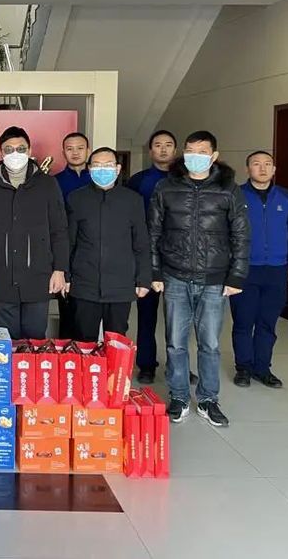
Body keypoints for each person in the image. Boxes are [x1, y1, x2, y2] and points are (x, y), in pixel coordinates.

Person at [149, 130, 250, 428]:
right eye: (190, 151)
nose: (195, 156)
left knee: (210, 343)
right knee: (175, 343)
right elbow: (153, 232)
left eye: (202, 152)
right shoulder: (166, 187)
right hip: (175, 275)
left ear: (214, 156)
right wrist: (155, 272)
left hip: (214, 278)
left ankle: (208, 399)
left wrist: (237, 275)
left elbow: (241, 235)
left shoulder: (228, 189)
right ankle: (179, 397)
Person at [0, 126, 69, 340]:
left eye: (20, 148)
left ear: (30, 150)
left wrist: (60, 270)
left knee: (34, 340)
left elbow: (59, 230)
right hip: (0, 278)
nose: (15, 154)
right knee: (4, 342)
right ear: (1, 152)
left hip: (38, 277)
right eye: (9, 149)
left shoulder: (47, 184)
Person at [231, 151, 288, 389]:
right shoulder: (235, 195)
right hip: (244, 269)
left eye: (267, 164)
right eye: (256, 164)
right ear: (247, 169)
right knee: (243, 322)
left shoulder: (286, 197)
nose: (262, 168)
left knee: (267, 322)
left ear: (274, 170)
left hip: (277, 270)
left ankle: (262, 368)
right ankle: (243, 368)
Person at [67, 147, 151, 342]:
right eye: (97, 165)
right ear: (89, 169)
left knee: (116, 340)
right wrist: (66, 275)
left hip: (121, 284)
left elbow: (141, 243)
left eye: (108, 165)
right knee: (83, 339)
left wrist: (144, 278)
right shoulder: (76, 198)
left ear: (118, 168)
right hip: (85, 283)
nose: (102, 170)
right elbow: (69, 241)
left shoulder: (132, 200)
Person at [125, 129, 178, 384]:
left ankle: (178, 366)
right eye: (158, 145)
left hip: (178, 257)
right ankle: (146, 364)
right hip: (147, 255)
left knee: (179, 318)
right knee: (147, 314)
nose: (163, 149)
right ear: (150, 150)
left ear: (175, 150)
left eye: (168, 145)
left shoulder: (185, 180)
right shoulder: (139, 181)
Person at [54, 132, 91, 338]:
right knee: (67, 314)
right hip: (65, 252)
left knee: (88, 317)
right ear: (63, 153)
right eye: (70, 149)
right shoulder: (54, 182)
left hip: (92, 255)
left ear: (88, 151)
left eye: (80, 148)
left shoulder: (97, 180)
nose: (75, 153)